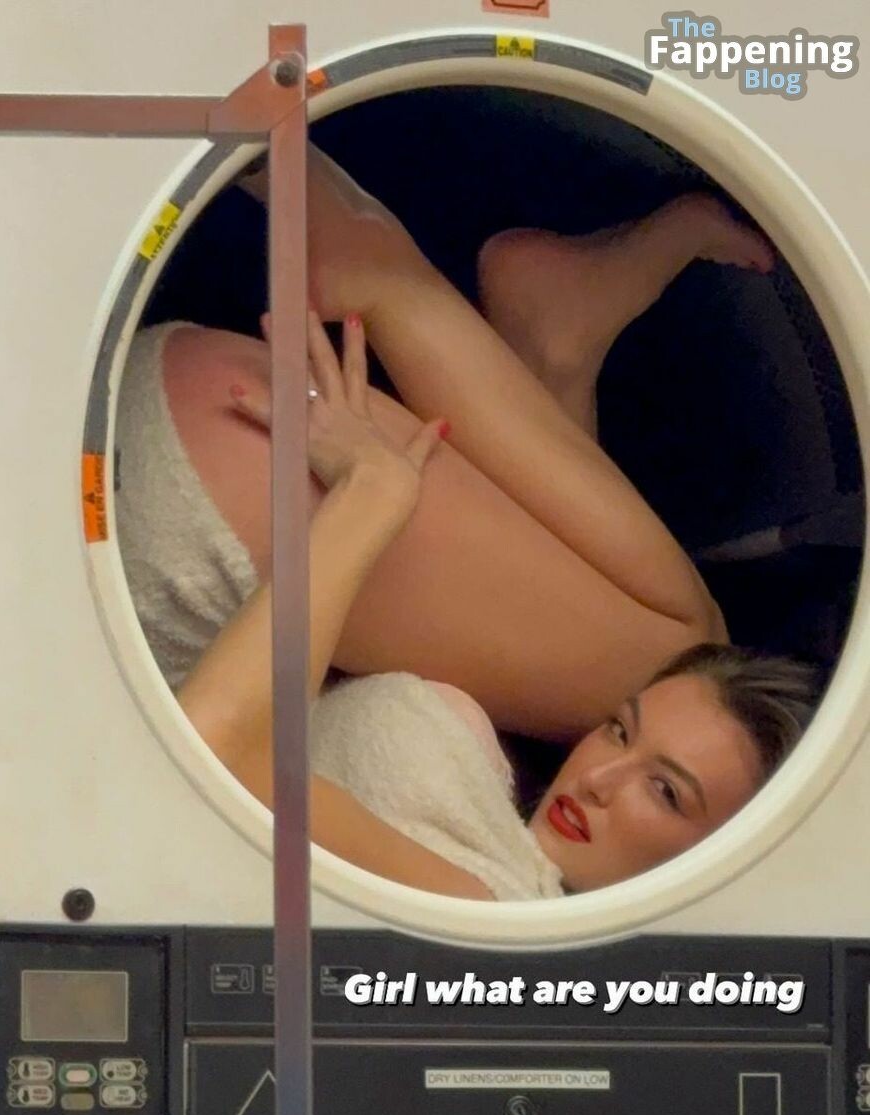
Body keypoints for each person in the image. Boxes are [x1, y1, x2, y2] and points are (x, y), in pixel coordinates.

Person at [116, 153, 817, 900]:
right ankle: (538, 348)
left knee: (682, 643)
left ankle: (404, 280)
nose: (600, 777)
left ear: (728, 863)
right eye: (618, 728)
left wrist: (371, 496)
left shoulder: (494, 906)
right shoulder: (518, 844)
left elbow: (219, 754)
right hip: (205, 477)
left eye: (668, 793)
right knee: (685, 651)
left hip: (178, 518)